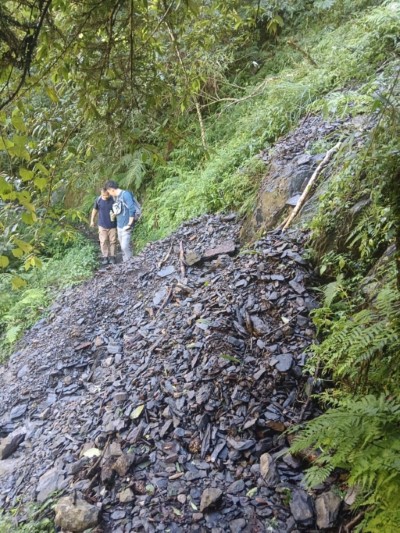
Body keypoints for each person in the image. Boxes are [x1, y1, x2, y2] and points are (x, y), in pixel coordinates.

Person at [104, 180, 137, 262]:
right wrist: (114, 215)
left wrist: (129, 224)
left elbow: (132, 209)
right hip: (119, 225)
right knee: (123, 247)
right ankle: (125, 263)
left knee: (124, 246)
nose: (109, 194)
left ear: (112, 189)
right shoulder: (116, 197)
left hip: (126, 225)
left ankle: (130, 262)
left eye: (109, 191)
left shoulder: (126, 195)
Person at [90, 188, 117, 265]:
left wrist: (116, 214)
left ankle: (113, 257)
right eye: (103, 195)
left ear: (109, 193)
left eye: (106, 195)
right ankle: (105, 257)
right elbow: (94, 210)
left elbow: (118, 209)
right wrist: (92, 220)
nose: (105, 197)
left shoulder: (113, 199)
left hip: (112, 224)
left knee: (113, 241)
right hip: (102, 224)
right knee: (103, 241)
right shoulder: (98, 200)